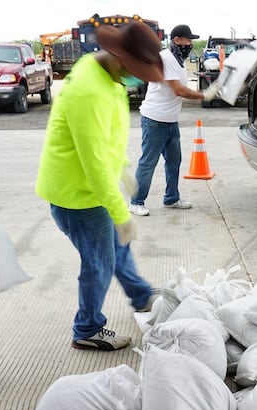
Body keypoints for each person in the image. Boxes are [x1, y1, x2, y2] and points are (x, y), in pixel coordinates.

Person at [35, 21, 162, 351]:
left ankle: (141, 295)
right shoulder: (89, 92)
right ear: (121, 59)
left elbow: (107, 140)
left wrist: (123, 168)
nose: (137, 80)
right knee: (99, 263)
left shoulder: (102, 71)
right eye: (137, 71)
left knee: (116, 249)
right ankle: (88, 328)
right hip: (78, 196)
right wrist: (121, 212)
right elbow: (94, 165)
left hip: (88, 186)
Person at [128, 24, 220, 216]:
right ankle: (136, 201)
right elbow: (178, 90)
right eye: (188, 40)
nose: (191, 44)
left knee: (173, 161)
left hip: (170, 120)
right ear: (177, 40)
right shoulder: (166, 58)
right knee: (148, 162)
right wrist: (203, 95)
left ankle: (171, 198)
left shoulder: (179, 61)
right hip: (155, 119)